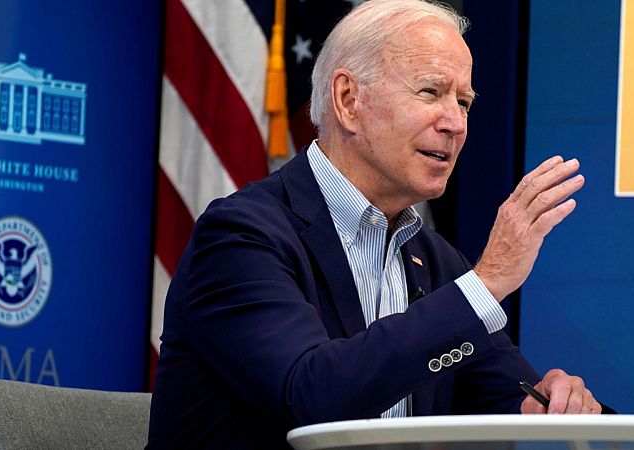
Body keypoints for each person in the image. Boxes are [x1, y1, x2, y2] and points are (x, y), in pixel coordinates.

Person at [147, 0, 603, 448]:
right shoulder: (239, 238)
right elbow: (312, 399)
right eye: (430, 92)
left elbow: (506, 395)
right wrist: (488, 282)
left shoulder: (436, 260)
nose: (455, 124)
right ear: (348, 100)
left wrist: (551, 404)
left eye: (464, 102)